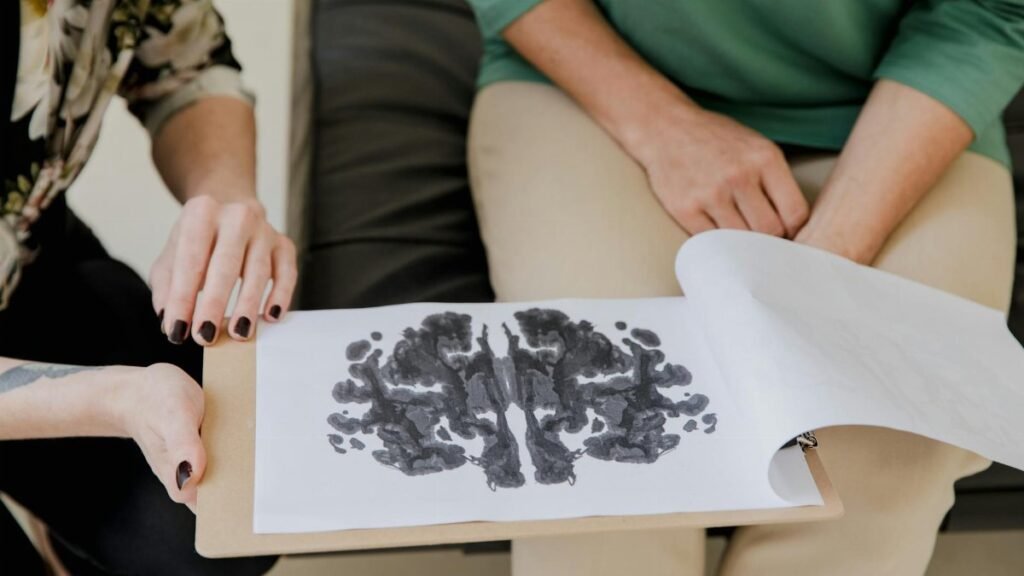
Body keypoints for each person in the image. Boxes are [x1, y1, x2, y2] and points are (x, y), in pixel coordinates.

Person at [465, 1, 1024, 575]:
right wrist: (665, 127)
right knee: (600, 430)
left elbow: (989, 11)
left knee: (894, 444)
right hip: (595, 78)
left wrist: (830, 251)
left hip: (912, 100)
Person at [0, 1, 296, 574]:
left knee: (217, 522)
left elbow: (187, 64)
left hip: (30, 261)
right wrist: (110, 399)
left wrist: (224, 197)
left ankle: (66, 534)